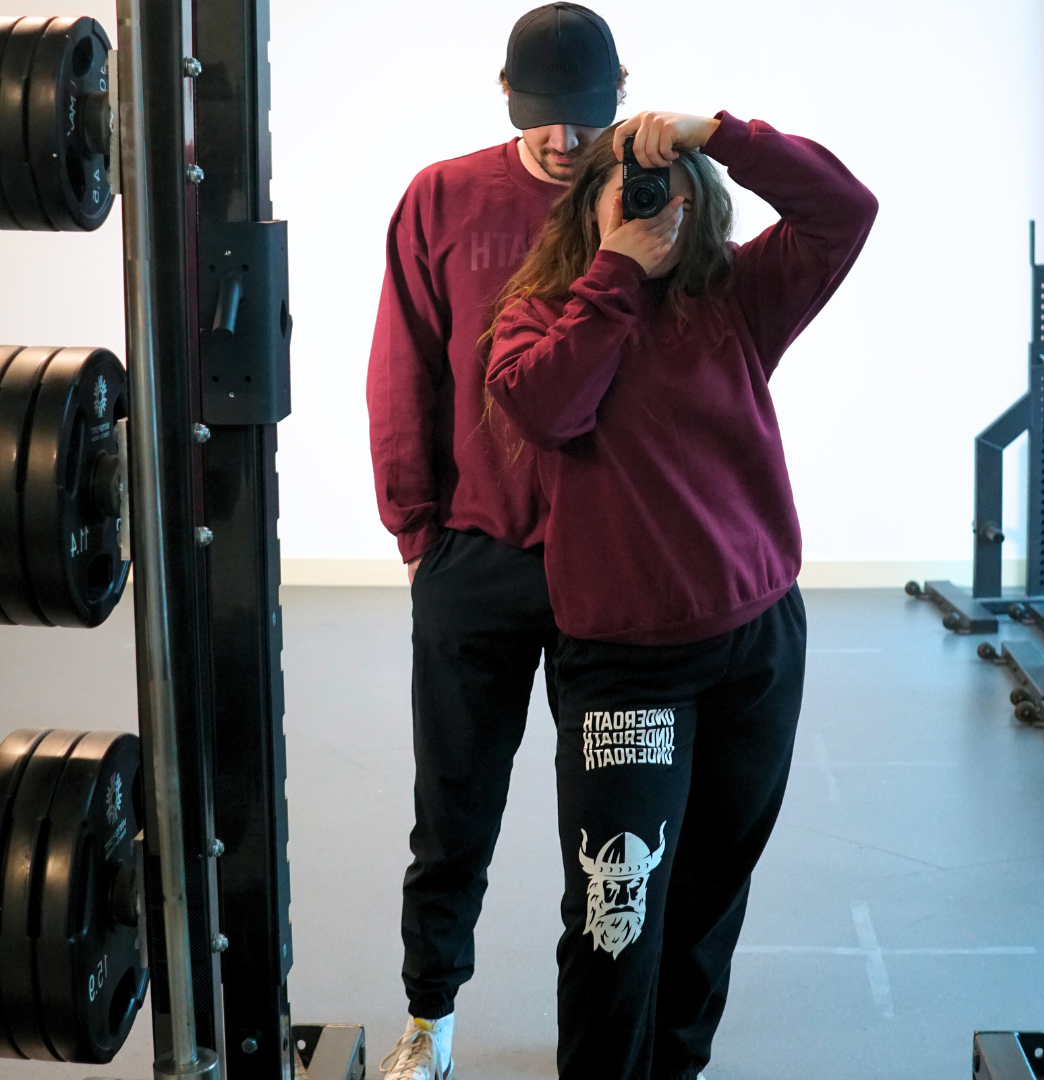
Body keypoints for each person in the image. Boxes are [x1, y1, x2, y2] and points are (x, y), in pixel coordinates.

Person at [485, 110, 877, 1079]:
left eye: (671, 179)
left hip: (756, 649)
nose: (655, 194)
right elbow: (543, 405)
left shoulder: (737, 298)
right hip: (627, 673)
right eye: (632, 180)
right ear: (591, 204)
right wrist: (614, 274)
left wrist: (720, 132)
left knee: (706, 901)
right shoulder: (544, 315)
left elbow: (845, 210)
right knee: (617, 917)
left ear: (701, 198)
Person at [366, 6, 628, 1079]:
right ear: (505, 97)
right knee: (453, 816)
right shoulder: (443, 195)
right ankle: (432, 1018)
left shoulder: (647, 196)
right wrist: (417, 534)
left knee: (610, 838)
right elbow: (402, 368)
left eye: (584, 119)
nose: (564, 142)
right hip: (475, 560)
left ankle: (601, 1046)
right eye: (542, 119)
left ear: (620, 97)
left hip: (615, 575)